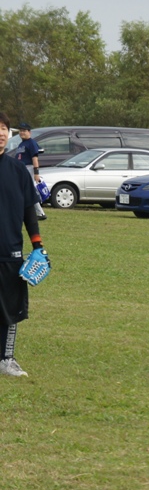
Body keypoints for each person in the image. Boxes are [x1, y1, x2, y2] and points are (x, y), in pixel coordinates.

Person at [0, 112, 45, 377]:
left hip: (10, 251)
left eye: (4, 129)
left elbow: (30, 209)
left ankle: (6, 359)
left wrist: (37, 245)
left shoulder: (17, 169)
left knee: (11, 309)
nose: (1, 134)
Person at [13, 123, 46, 220]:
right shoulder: (22, 144)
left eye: (24, 130)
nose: (22, 132)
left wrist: (36, 173)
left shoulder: (31, 143)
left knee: (29, 190)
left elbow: (35, 158)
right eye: (20, 131)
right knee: (23, 190)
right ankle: (33, 212)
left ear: (29, 132)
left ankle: (40, 213)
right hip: (22, 169)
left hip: (29, 168)